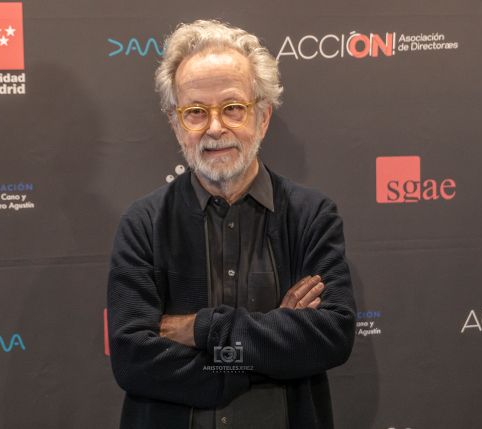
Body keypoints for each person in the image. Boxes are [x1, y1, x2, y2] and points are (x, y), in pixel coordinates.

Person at [107, 19, 356, 429]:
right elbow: (133, 360)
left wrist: (202, 328)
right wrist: (264, 354)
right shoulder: (143, 224)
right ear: (176, 125)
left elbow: (330, 337)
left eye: (233, 108)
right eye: (195, 112)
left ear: (263, 117)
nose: (215, 127)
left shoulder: (312, 216)